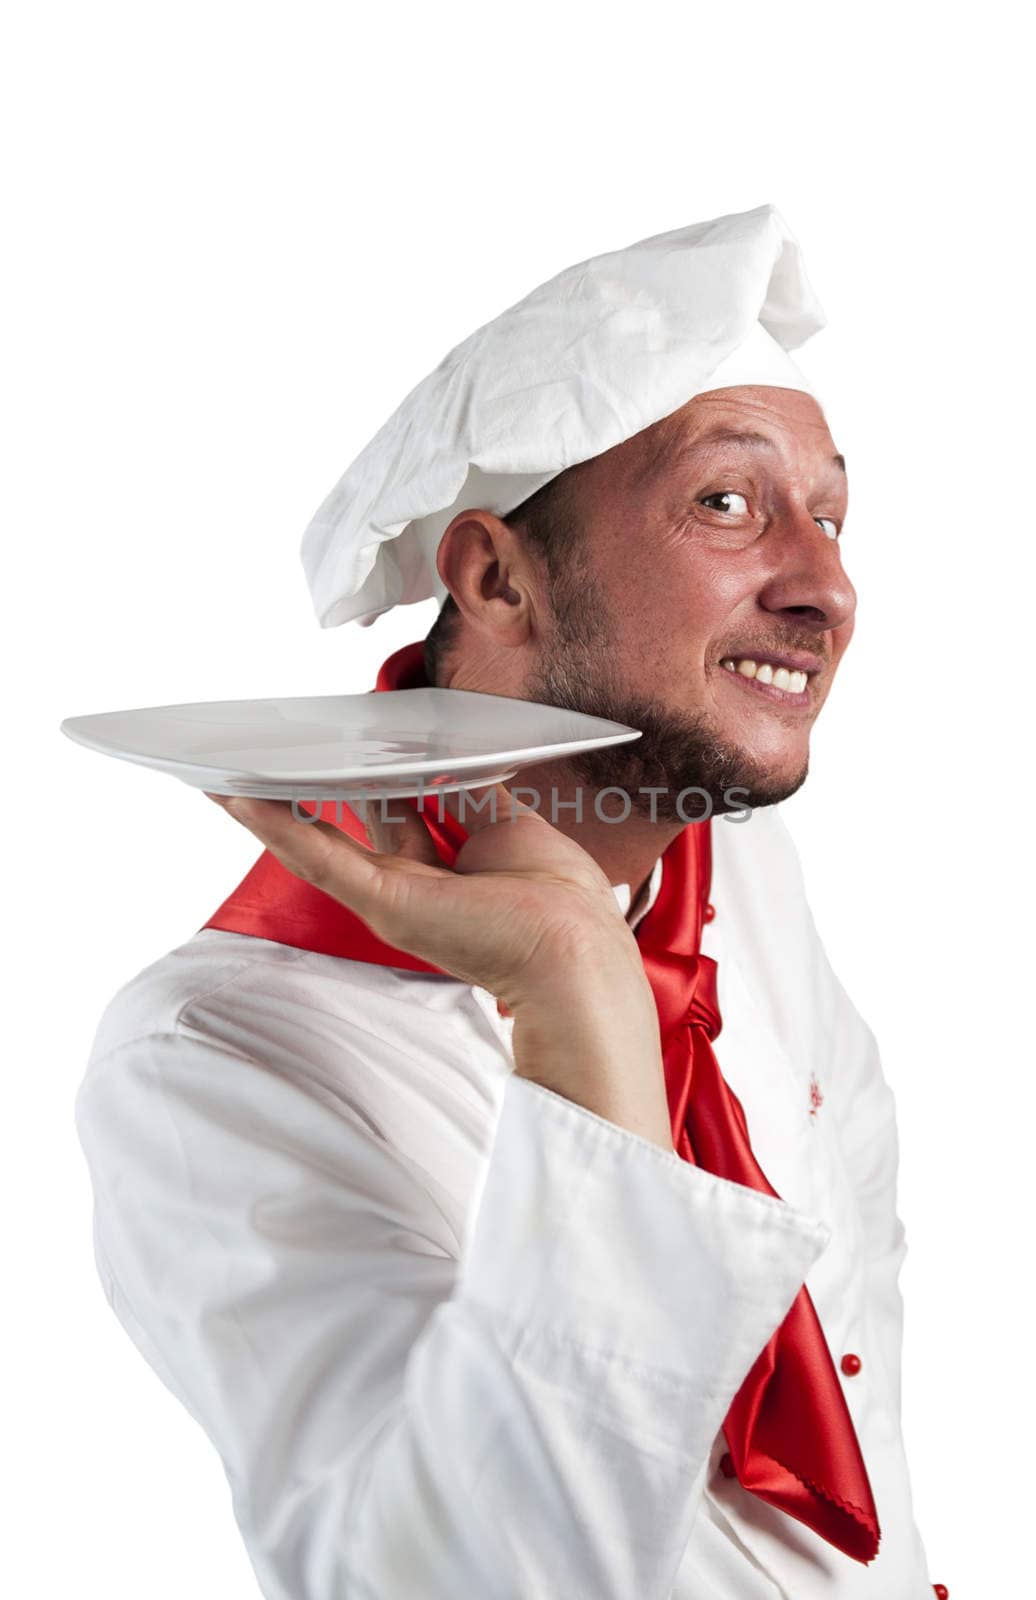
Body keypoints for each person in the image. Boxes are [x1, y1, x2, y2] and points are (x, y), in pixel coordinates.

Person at [74, 205, 948, 1598]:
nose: (828, 586)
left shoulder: (735, 864)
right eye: (728, 502)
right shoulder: (212, 1059)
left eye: (832, 514)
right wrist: (579, 1003)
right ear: (494, 574)